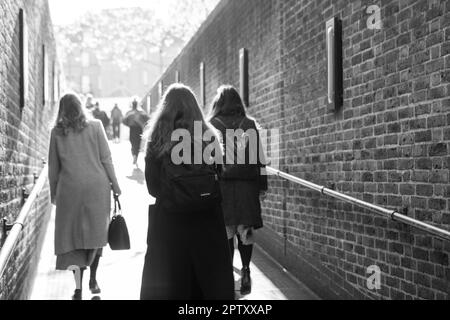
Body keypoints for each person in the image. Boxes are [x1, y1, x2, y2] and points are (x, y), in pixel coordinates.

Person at [140, 83, 234, 300]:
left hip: (170, 225)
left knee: (172, 286)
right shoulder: (209, 135)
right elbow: (219, 174)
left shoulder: (158, 137)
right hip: (208, 223)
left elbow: (152, 187)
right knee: (208, 285)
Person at [48, 94, 122, 300]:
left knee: (73, 240)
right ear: (81, 106)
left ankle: (78, 287)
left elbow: (53, 169)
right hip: (96, 188)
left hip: (69, 191)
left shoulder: (57, 132)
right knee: (95, 235)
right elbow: (107, 158)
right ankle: (94, 279)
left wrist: (54, 194)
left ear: (61, 109)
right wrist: (115, 185)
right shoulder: (96, 126)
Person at [208, 85, 268, 295]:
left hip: (222, 190)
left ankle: (226, 274)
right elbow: (260, 160)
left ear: (219, 103)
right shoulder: (250, 125)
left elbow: (207, 162)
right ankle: (245, 270)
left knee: (225, 234)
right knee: (245, 232)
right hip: (247, 189)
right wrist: (262, 187)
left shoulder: (212, 125)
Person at [123, 100, 150, 166]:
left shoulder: (129, 112)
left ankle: (134, 155)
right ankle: (135, 157)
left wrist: (129, 124)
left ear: (132, 104)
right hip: (139, 129)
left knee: (132, 142)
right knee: (137, 143)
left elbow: (124, 121)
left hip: (132, 129)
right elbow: (148, 119)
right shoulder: (141, 112)